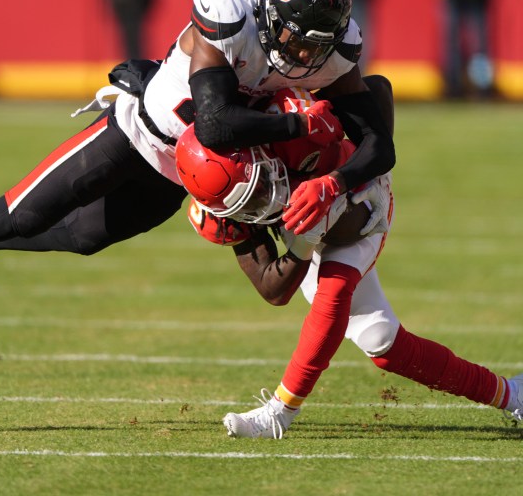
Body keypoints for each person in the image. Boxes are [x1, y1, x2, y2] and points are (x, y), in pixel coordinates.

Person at [0, 0, 394, 284]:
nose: (308, 55)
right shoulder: (231, 14)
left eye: (319, 43)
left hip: (185, 174)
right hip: (133, 135)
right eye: (299, 38)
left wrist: (335, 183)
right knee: (21, 214)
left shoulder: (331, 49)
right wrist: (300, 124)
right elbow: (215, 124)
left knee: (82, 238)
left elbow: (379, 143)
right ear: (272, 10)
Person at [174, 86, 523, 439]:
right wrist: (302, 247)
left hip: (357, 198)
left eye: (259, 190)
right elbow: (273, 290)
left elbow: (380, 87)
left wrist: (341, 180)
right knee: (381, 340)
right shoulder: (220, 198)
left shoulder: (292, 127)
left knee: (334, 288)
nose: (262, 206)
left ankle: (280, 413)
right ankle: (514, 395)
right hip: (309, 228)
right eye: (245, 205)